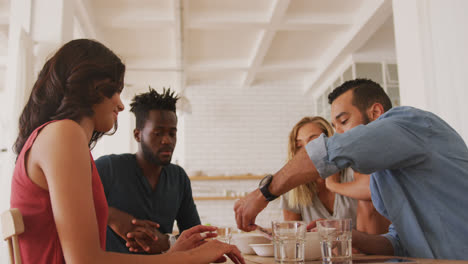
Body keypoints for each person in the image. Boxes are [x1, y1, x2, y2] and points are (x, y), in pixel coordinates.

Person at [10, 39, 244, 264]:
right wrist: (183, 258)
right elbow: (86, 261)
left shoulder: (57, 136)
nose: (121, 105)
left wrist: (173, 254)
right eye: (115, 91)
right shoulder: (63, 134)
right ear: (92, 87)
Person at [234, 78, 468, 260]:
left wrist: (263, 194)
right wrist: (350, 236)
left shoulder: (408, 122)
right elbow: (400, 242)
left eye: (344, 122)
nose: (340, 135)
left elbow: (329, 151)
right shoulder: (384, 173)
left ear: (376, 113)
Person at [95, 88, 201, 254]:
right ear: (138, 135)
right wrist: (111, 216)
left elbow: (195, 236)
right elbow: (64, 203)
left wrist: (167, 242)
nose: (167, 140)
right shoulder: (109, 167)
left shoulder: (178, 177)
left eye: (172, 133)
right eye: (157, 133)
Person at [280, 116, 357, 225]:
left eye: (313, 143)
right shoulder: (293, 189)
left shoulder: (354, 172)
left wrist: (332, 184)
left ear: (330, 141)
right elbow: (292, 235)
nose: (306, 152)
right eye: (299, 146)